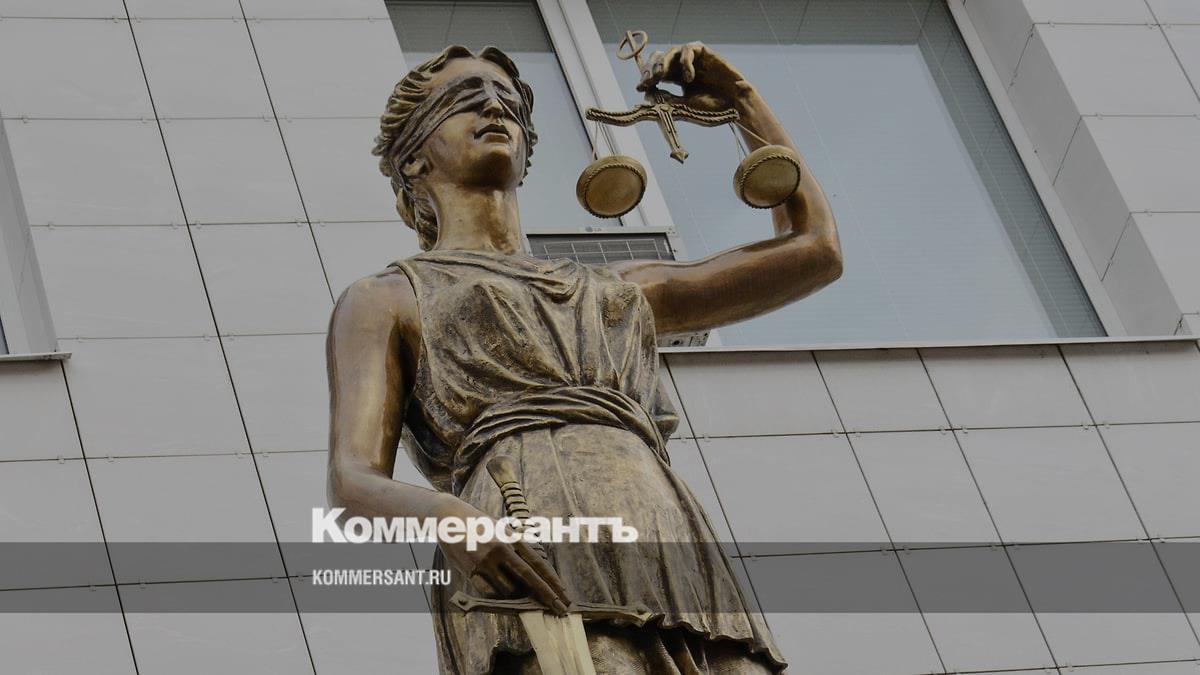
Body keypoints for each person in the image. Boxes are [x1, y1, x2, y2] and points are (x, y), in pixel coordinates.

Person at [327, 42, 842, 674]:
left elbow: (815, 251)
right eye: (464, 99)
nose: (494, 107)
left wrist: (742, 103)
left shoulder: (615, 291)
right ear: (413, 156)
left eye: (508, 102)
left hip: (664, 531)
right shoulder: (387, 298)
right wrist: (448, 517)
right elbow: (351, 483)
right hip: (524, 540)